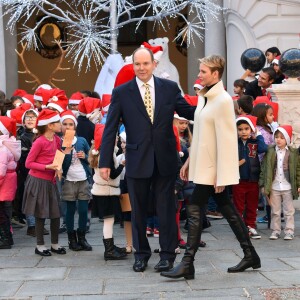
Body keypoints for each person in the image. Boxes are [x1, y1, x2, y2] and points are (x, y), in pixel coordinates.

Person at [161, 54, 261, 280]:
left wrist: (221, 175)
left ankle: (188, 263)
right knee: (227, 208)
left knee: (195, 206)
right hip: (204, 165)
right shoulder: (206, 97)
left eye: (203, 71)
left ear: (215, 74)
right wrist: (189, 160)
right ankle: (250, 254)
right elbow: (203, 136)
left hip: (213, 170)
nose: (199, 74)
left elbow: (226, 141)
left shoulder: (223, 100)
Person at [99, 47, 195, 273]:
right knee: (138, 211)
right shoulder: (122, 92)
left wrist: (213, 102)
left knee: (167, 210)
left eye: (145, 63)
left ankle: (167, 255)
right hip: (136, 159)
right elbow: (110, 129)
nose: (141, 68)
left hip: (165, 160)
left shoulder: (170, 89)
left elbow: (189, 112)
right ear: (133, 66)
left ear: (154, 64)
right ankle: (141, 255)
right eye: (137, 64)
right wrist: (105, 162)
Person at [22, 109, 67, 256]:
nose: (60, 125)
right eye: (58, 122)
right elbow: (28, 163)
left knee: (55, 213)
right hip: (38, 181)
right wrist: (47, 167)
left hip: (51, 180)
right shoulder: (39, 141)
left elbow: (59, 155)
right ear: (50, 125)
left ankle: (54, 243)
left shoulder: (57, 140)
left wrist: (58, 168)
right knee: (40, 213)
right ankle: (40, 245)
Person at [89, 124, 127, 260]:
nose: (116, 138)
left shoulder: (98, 151)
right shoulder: (107, 155)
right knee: (109, 221)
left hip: (102, 192)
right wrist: (122, 164)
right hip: (107, 192)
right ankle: (109, 250)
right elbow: (112, 175)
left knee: (108, 221)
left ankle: (110, 246)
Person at [260, 125, 300, 240]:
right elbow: (264, 168)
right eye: (276, 137)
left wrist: (298, 184)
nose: (278, 139)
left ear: (287, 139)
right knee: (275, 211)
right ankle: (276, 230)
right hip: (274, 186)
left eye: (282, 137)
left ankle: (289, 231)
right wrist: (262, 184)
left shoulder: (293, 153)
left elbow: (298, 169)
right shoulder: (270, 151)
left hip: (287, 186)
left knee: (289, 211)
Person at [60, 110, 92, 251]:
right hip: (68, 180)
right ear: (61, 127)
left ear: (75, 126)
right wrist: (64, 152)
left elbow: (92, 159)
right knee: (70, 211)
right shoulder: (58, 142)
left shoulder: (81, 140)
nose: (68, 127)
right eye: (65, 124)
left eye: (71, 124)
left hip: (83, 178)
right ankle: (71, 239)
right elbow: (57, 164)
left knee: (84, 210)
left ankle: (82, 237)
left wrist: (84, 156)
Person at [233, 115, 268, 239]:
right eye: (240, 129)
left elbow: (263, 148)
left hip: (253, 179)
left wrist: (258, 135)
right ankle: (241, 228)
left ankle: (251, 226)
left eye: (246, 129)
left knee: (252, 205)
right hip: (239, 180)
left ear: (251, 129)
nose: (243, 131)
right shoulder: (234, 143)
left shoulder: (254, 142)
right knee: (239, 206)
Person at [0, 117, 21, 249]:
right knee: (4, 211)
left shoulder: (1, 147)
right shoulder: (10, 143)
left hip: (3, 183)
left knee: (1, 213)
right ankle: (7, 237)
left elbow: (0, 171)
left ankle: (5, 238)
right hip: (9, 182)